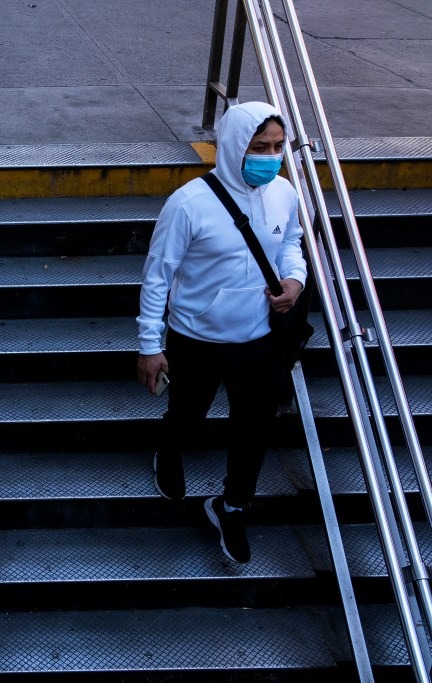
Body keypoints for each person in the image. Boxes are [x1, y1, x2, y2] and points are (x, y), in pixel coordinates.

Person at [135, 101, 307, 563]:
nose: (270, 156)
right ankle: (168, 454)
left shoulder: (285, 192)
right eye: (259, 147)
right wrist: (150, 346)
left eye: (277, 147)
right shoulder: (189, 203)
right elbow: (157, 276)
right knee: (187, 415)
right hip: (196, 339)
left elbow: (291, 243)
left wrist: (295, 281)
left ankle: (231, 507)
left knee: (254, 430)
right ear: (234, 147)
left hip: (259, 340)